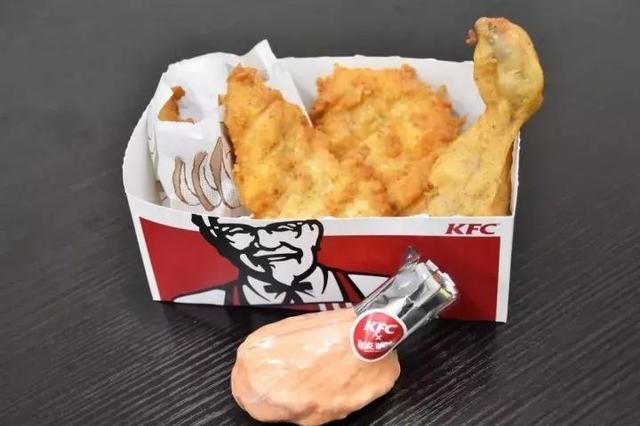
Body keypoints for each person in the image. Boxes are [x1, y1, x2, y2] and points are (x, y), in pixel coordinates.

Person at [173, 215, 387, 309]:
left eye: (284, 228)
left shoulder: (381, 290)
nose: (267, 244)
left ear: (314, 232)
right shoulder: (198, 303)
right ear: (219, 243)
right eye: (238, 231)